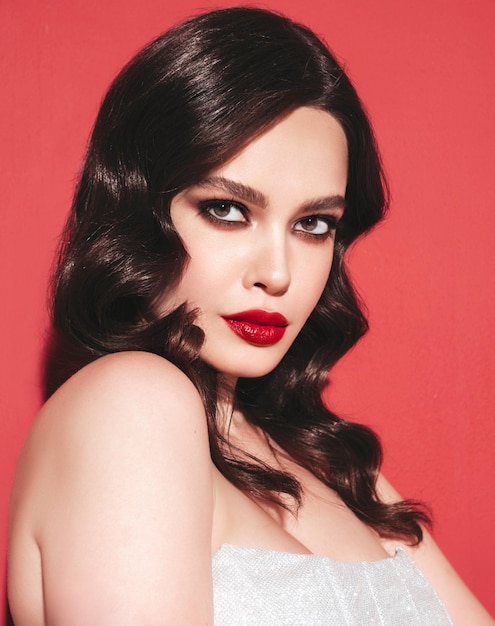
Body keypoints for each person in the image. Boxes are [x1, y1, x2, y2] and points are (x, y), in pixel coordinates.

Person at [7, 7, 493, 625]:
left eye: (313, 225)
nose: (280, 272)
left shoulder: (339, 467)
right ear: (140, 211)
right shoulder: (128, 403)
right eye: (228, 211)